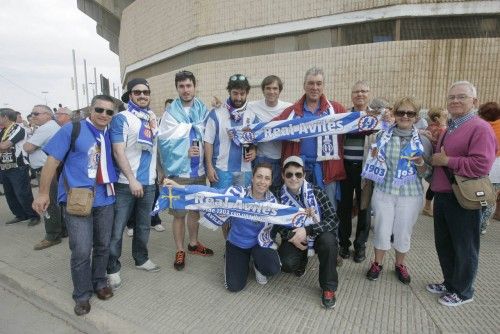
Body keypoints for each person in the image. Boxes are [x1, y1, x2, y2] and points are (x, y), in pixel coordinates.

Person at [32, 95, 118, 316]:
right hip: (77, 200)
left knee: (102, 246)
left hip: (105, 198)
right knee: (80, 249)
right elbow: (52, 161)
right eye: (100, 109)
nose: (104, 115)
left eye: (110, 112)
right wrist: (42, 193)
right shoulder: (73, 129)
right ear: (91, 108)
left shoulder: (111, 133)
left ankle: (99, 282)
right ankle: (81, 294)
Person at [428, 81, 496, 307]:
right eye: (451, 97)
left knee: (464, 245)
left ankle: (464, 291)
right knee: (445, 243)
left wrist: (448, 161)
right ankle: (450, 283)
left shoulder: (480, 128)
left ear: (474, 102)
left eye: (461, 97)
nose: (455, 101)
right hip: (445, 194)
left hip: (464, 197)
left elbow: (482, 165)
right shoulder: (452, 127)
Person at [164, 162, 281, 292]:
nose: (262, 181)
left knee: (272, 268)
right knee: (234, 286)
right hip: (238, 244)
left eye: (267, 178)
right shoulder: (237, 193)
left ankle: (257, 265)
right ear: (252, 178)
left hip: (259, 245)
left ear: (270, 182)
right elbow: (210, 192)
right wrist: (181, 187)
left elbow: (290, 219)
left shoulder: (274, 203)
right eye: (259, 176)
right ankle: (242, 262)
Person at [364, 96, 432, 285]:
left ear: (416, 116)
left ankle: (400, 264)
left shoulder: (423, 141)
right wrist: (374, 157)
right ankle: (378, 263)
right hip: (384, 191)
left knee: (403, 231)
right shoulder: (382, 136)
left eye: (410, 113)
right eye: (401, 112)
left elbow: (427, 173)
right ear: (394, 113)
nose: (405, 116)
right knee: (382, 229)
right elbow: (373, 163)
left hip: (410, 194)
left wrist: (420, 163)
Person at [107, 78, 160, 290]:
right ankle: (112, 267)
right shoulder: (121, 118)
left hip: (148, 183)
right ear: (130, 95)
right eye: (137, 92)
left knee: (143, 225)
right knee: (117, 227)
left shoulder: (152, 117)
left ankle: (141, 258)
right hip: (125, 183)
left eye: (146, 92)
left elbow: (156, 148)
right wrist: (131, 179)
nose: (142, 96)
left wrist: (160, 174)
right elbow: (118, 151)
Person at [158, 70, 213, 271]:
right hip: (179, 173)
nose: (185, 90)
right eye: (181, 86)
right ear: (177, 88)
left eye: (188, 85)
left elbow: (210, 134)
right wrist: (184, 151)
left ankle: (194, 243)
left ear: (194, 86)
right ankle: (180, 249)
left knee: (195, 210)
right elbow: (163, 142)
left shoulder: (202, 109)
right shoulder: (170, 113)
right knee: (179, 214)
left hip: (198, 171)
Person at [272, 67, 346, 209]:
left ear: (323, 86)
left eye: (319, 83)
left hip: (326, 170)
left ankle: (327, 232)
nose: (315, 87)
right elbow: (269, 129)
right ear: (304, 85)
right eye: (311, 83)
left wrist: (378, 119)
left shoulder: (335, 109)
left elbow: (356, 125)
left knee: (328, 209)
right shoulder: (291, 112)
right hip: (298, 170)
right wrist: (248, 132)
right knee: (299, 209)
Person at [273, 156, 340, 309]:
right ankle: (301, 259)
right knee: (287, 264)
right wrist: (291, 237)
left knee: (329, 242)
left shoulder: (316, 191)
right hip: (294, 237)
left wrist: (308, 230)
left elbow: (333, 219)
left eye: (298, 174)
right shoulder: (277, 194)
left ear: (304, 175)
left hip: (318, 235)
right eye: (289, 174)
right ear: (283, 176)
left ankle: (328, 288)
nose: (294, 178)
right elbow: (275, 224)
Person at [338, 80, 375, 263]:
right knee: (343, 208)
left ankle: (360, 246)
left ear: (369, 94)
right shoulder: (344, 116)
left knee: (364, 208)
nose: (360, 94)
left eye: (364, 91)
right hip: (345, 167)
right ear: (352, 95)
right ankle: (343, 243)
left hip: (366, 170)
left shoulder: (376, 117)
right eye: (356, 92)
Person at [204, 74, 257, 190]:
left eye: (242, 94)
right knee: (220, 205)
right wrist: (209, 167)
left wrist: (254, 150)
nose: (238, 98)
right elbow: (208, 141)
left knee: (242, 206)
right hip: (221, 170)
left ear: (247, 93)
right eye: (235, 93)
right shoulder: (216, 112)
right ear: (229, 92)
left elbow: (257, 138)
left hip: (245, 170)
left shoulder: (252, 113)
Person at [23, 105, 65, 250]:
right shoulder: (49, 126)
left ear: (48, 115)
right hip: (49, 169)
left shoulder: (46, 127)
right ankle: (62, 230)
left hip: (46, 170)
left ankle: (52, 236)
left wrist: (33, 145)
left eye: (36, 113)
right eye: (31, 113)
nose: (33, 116)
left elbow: (27, 147)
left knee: (49, 202)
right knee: (56, 201)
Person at [247, 75, 292, 194]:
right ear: (263, 90)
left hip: (280, 159)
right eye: (268, 88)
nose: (271, 91)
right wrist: (220, 105)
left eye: (275, 88)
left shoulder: (288, 108)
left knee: (277, 193)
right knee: (259, 192)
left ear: (280, 90)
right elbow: (236, 108)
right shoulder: (252, 106)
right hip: (261, 158)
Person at [0, 108, 40, 226]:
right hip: (4, 166)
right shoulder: (3, 130)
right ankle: (20, 214)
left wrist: (3, 146)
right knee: (9, 194)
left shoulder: (18, 129)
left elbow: (5, 145)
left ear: (5, 117)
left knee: (22, 193)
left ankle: (33, 215)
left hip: (18, 166)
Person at [477, 101, 500, 233]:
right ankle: (483, 225)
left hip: (484, 167)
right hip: (498, 169)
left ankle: (475, 222)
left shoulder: (482, 127)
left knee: (479, 197)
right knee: (491, 199)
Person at [422, 107, 448, 217]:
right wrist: (443, 125)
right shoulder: (441, 129)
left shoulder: (430, 127)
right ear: (437, 118)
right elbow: (444, 142)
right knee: (435, 184)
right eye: (445, 116)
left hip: (431, 158)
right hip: (438, 159)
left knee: (433, 183)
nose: (447, 118)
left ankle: (427, 206)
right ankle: (428, 207)